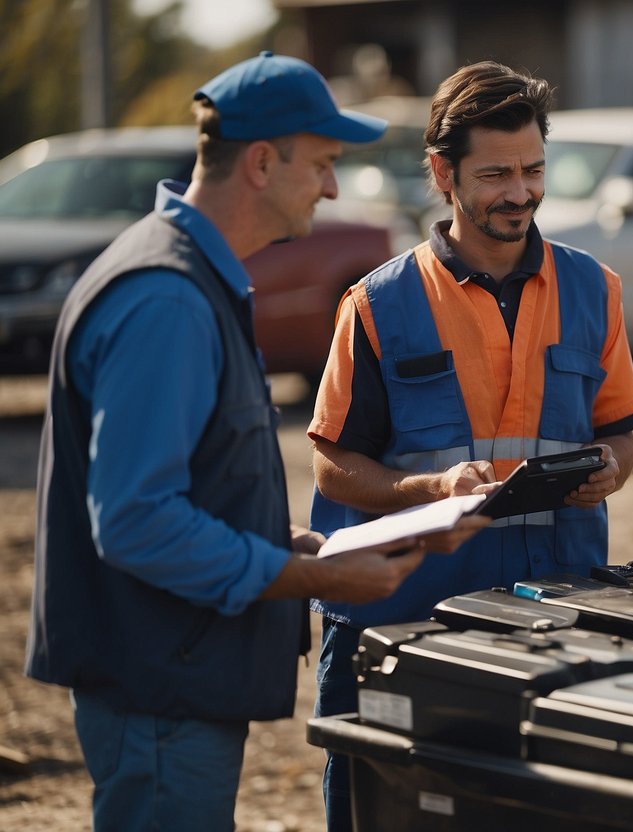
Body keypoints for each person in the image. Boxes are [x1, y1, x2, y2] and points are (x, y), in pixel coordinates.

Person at [23, 52, 486, 832]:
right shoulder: (165, 297)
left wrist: (294, 548)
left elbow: (185, 485)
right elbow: (138, 521)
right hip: (159, 687)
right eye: (325, 164)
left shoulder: (188, 276)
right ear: (264, 162)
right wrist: (306, 579)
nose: (333, 188)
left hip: (171, 675)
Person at [308, 60, 633, 829]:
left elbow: (619, 434)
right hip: (407, 628)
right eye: (495, 173)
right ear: (442, 172)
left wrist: (610, 471)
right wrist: (428, 492)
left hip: (554, 618)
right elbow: (332, 464)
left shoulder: (595, 289)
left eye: (533, 170)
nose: (520, 192)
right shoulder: (377, 304)